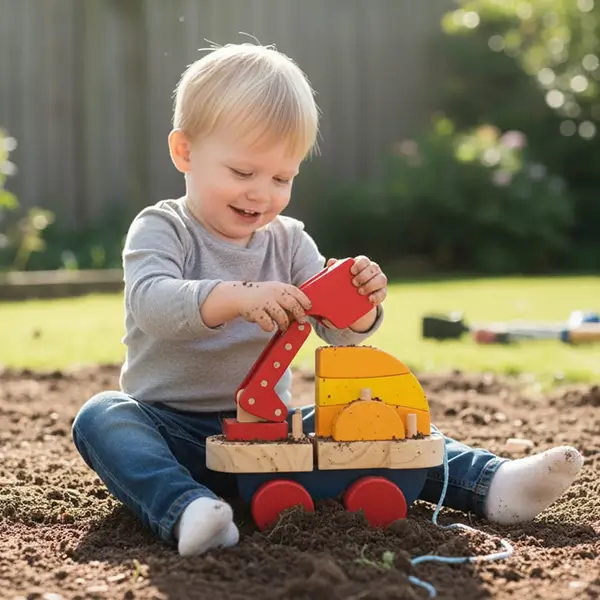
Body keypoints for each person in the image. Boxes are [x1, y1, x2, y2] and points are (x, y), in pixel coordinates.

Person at [71, 43, 583, 557]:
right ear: (184, 152)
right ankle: (188, 510)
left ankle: (493, 484)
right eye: (243, 173)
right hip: (170, 428)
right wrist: (236, 297)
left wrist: (361, 304)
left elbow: (337, 332)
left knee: (372, 422)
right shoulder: (163, 228)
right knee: (103, 417)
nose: (260, 194)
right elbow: (151, 303)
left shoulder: (290, 241)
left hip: (269, 430)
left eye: (281, 178)